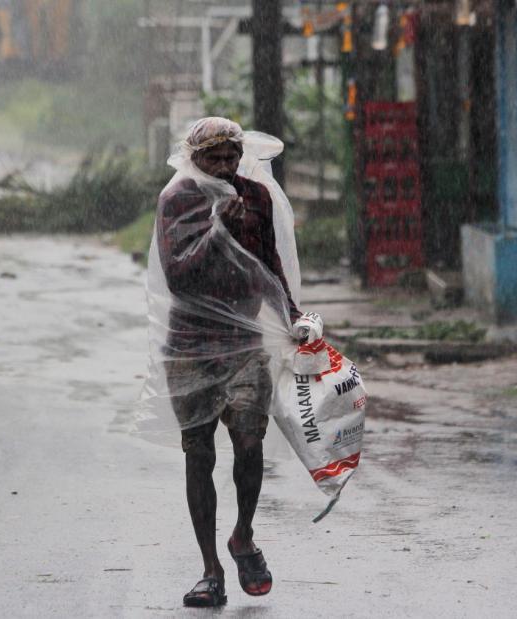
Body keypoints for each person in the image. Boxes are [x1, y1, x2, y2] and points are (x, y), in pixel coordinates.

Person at [148, 117, 323, 607]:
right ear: (193, 158)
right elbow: (179, 276)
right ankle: (210, 569)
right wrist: (218, 226)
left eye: (231, 156)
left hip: (245, 341)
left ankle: (243, 534)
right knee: (198, 452)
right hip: (190, 346)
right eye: (214, 158)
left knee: (249, 442)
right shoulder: (178, 200)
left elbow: (270, 265)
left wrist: (294, 316)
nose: (225, 166)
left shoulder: (257, 197)